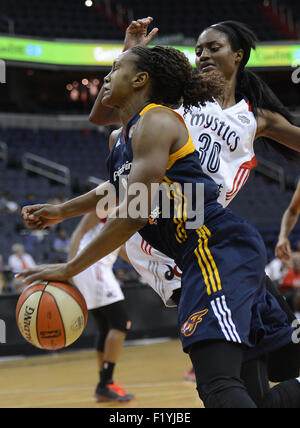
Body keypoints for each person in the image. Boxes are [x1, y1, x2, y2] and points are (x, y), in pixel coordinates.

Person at [16, 45, 297, 408]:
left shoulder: (157, 120)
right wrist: (62, 212)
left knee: (217, 386)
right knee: (255, 390)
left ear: (140, 80)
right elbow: (118, 187)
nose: (105, 77)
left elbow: (133, 212)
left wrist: (71, 267)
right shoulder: (122, 140)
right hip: (207, 256)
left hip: (215, 249)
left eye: (115, 68)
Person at [89, 17, 300, 403]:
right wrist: (126, 53)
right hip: (173, 239)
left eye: (213, 47)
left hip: (210, 239)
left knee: (277, 362)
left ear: (238, 56)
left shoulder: (257, 118)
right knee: (224, 376)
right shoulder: (174, 100)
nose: (202, 53)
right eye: (198, 48)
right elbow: (108, 115)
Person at [69, 211, 134, 402]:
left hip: (93, 267)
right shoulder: (107, 199)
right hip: (92, 266)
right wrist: (70, 267)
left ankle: (105, 384)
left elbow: (121, 249)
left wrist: (148, 269)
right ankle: (105, 383)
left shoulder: (128, 207)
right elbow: (79, 232)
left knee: (105, 327)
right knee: (121, 323)